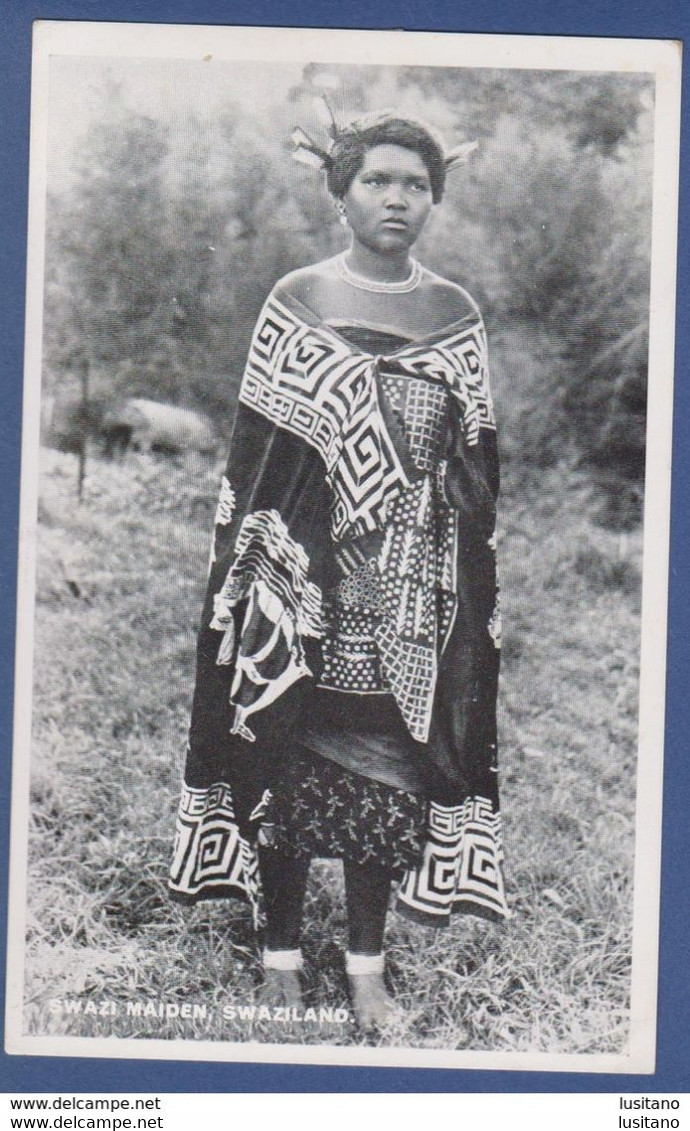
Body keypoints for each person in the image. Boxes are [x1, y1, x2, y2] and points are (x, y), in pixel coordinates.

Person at [169, 110, 509, 1034]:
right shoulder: (299, 300)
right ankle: (280, 958)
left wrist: (445, 560)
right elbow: (257, 461)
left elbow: (475, 464)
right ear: (342, 192)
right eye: (377, 181)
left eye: (415, 184)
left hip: (405, 586)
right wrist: (259, 577)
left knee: (389, 778)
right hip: (300, 579)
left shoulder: (454, 315)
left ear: (435, 198)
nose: (397, 198)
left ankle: (367, 968)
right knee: (286, 760)